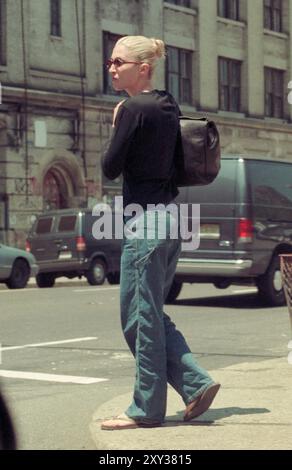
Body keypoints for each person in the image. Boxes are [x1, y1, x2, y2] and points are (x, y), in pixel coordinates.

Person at [101, 35, 220, 430]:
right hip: (171, 218)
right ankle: (197, 384)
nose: (112, 68)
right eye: (111, 62)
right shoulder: (169, 104)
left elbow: (110, 166)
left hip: (147, 221)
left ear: (143, 68)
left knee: (139, 318)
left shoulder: (132, 109)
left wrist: (118, 122)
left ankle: (146, 409)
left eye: (119, 62)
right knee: (149, 313)